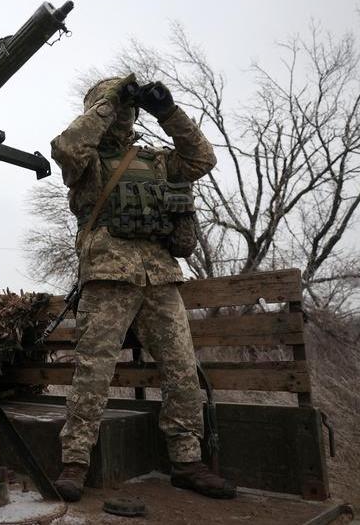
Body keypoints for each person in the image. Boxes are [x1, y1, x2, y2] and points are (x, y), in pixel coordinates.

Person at [49, 74, 236, 501]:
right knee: (93, 370)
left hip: (160, 276)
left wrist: (167, 111)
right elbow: (66, 147)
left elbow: (202, 158)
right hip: (108, 275)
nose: (125, 114)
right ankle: (75, 463)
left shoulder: (155, 161)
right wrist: (108, 100)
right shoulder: (88, 163)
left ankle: (187, 461)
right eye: (119, 107)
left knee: (182, 370)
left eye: (128, 107)